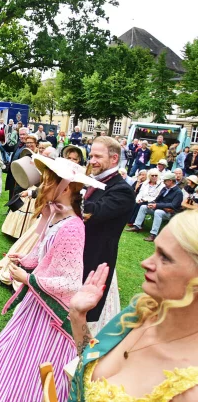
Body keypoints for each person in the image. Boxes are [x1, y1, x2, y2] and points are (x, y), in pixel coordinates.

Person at [0, 154, 105, 402]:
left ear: (66, 187)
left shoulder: (72, 227)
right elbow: (43, 251)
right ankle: (9, 386)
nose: (43, 186)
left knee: (40, 358)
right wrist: (24, 260)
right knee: (20, 349)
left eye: (49, 181)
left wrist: (28, 279)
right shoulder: (56, 215)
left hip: (53, 313)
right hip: (37, 303)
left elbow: (69, 282)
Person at [68, 212, 198, 402]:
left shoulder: (189, 388)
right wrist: (78, 315)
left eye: (165, 258)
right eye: (155, 251)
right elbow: (92, 360)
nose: (145, 263)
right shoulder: (142, 311)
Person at [82, 136, 136, 332]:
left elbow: (92, 212)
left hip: (95, 260)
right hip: (78, 255)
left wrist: (66, 193)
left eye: (97, 156)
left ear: (114, 159)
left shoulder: (122, 190)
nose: (92, 160)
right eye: (90, 155)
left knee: (84, 316)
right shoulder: (94, 180)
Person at [127, 171, 183, 242]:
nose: (164, 182)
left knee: (158, 212)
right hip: (160, 208)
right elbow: (157, 199)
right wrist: (152, 203)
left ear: (170, 181)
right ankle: (137, 226)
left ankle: (153, 234)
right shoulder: (164, 188)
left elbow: (174, 205)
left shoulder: (178, 192)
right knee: (143, 207)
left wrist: (157, 205)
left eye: (165, 181)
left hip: (169, 213)